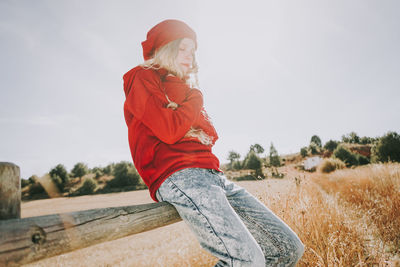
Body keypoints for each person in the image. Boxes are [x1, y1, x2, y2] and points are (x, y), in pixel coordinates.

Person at [123, 19, 304, 267]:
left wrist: (184, 106)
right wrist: (195, 99)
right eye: (183, 48)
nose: (190, 56)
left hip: (213, 174)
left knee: (287, 248)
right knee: (247, 261)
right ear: (166, 47)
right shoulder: (142, 76)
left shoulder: (182, 87)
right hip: (179, 174)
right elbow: (170, 129)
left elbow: (208, 136)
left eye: (193, 51)